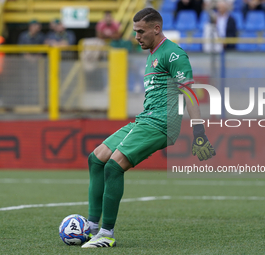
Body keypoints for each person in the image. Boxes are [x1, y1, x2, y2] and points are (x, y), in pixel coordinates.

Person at [81, 7, 216, 249]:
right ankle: (90, 228)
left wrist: (199, 132)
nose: (136, 36)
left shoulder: (173, 54)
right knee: (96, 158)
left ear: (156, 28)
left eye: (141, 31)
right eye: (135, 31)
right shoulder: (151, 54)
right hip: (145, 119)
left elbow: (190, 93)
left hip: (162, 122)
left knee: (114, 166)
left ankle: (106, 233)